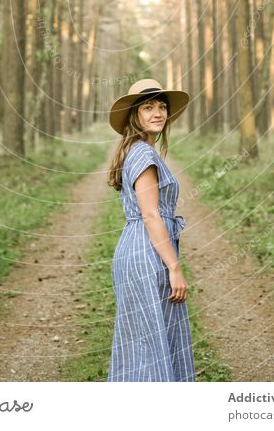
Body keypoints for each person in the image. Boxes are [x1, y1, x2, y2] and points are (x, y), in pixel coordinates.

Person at [106, 78, 196, 382]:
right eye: (148, 107)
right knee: (153, 341)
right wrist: (174, 267)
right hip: (147, 255)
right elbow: (150, 215)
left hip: (136, 250)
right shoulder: (143, 154)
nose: (157, 113)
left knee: (143, 343)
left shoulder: (136, 149)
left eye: (161, 107)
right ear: (136, 115)